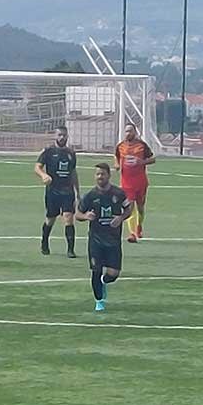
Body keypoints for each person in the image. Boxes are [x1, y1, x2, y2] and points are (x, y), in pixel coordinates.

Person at [78, 163, 131, 312]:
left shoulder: (118, 193)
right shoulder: (90, 196)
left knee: (113, 274)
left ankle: (103, 282)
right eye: (97, 174)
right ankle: (99, 301)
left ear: (109, 175)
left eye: (102, 174)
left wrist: (121, 218)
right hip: (96, 240)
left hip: (113, 241)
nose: (100, 177)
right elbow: (78, 214)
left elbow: (128, 209)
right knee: (96, 270)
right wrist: (85, 216)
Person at [34, 126, 79, 257]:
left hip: (67, 191)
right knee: (50, 219)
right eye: (59, 135)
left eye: (64, 135)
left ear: (67, 136)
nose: (62, 137)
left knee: (68, 217)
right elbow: (37, 167)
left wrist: (77, 192)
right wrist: (43, 175)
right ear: (55, 136)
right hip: (53, 191)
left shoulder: (71, 153)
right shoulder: (49, 151)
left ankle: (70, 250)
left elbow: (73, 172)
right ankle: (44, 242)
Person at [114, 122, 155, 242]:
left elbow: (153, 159)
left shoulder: (142, 145)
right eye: (126, 131)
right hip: (126, 183)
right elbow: (116, 156)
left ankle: (139, 226)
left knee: (140, 207)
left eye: (130, 131)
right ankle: (132, 233)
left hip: (141, 182)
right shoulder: (121, 146)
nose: (128, 133)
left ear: (135, 132)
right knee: (130, 207)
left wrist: (142, 162)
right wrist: (117, 164)